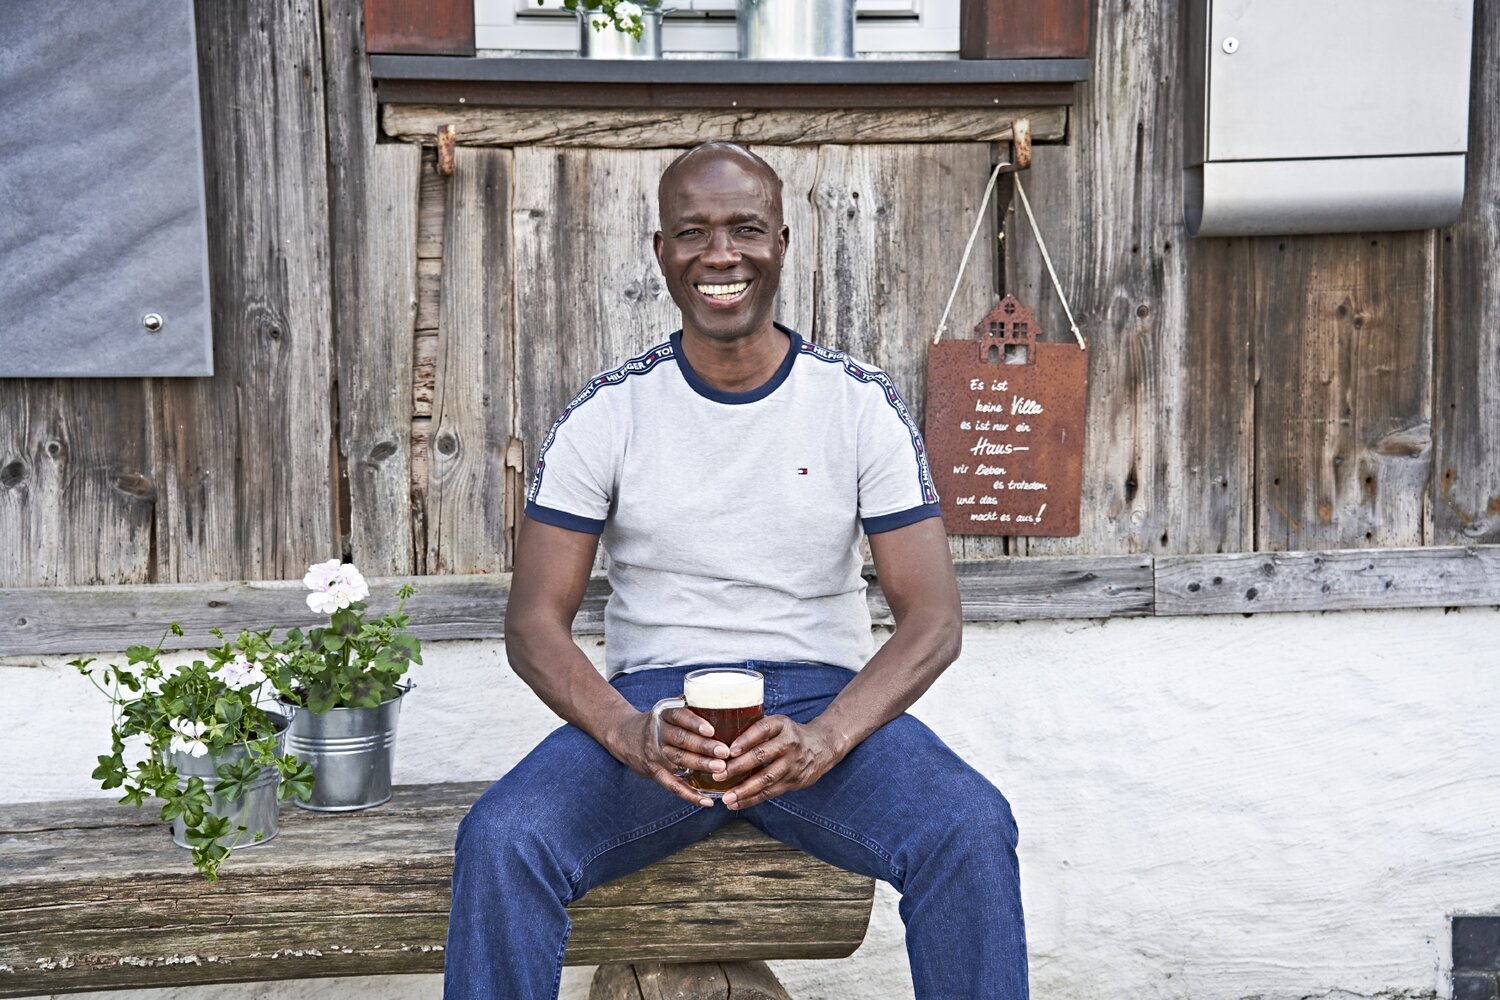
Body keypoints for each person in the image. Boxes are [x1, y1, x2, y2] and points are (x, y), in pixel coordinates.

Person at [444, 142, 1027, 1000]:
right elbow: (532, 623)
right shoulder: (607, 413)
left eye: (746, 229)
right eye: (693, 232)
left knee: (970, 826)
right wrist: (626, 732)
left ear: (781, 243)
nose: (721, 254)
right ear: (661, 251)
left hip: (819, 707)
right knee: (503, 840)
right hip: (658, 716)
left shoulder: (857, 404)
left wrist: (828, 738)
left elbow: (933, 619)